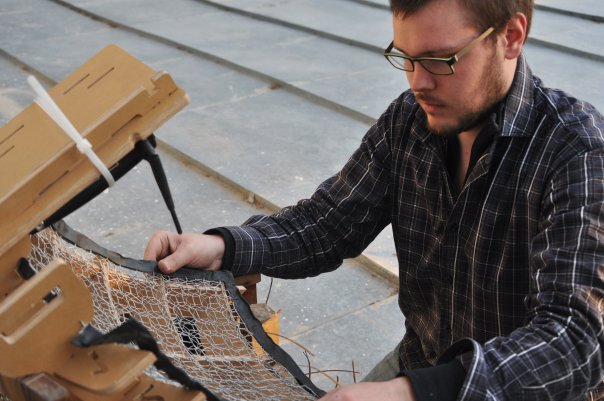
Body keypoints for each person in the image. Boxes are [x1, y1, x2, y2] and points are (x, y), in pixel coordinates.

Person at [145, 0, 604, 399]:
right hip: (420, 367)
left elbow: (575, 341)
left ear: (511, 36)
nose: (417, 82)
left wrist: (412, 393)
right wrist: (222, 246)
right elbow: (328, 223)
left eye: (441, 59)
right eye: (405, 57)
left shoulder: (578, 154)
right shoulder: (409, 120)